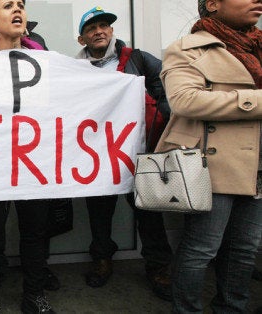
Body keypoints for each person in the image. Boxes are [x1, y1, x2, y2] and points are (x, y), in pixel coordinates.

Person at [0, 1, 72, 313]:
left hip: (33, 159)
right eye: (8, 5)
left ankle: (34, 297)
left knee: (35, 233)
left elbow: (61, 96)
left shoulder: (42, 52)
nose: (17, 9)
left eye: (21, 4)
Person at [158, 0, 262, 312]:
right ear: (213, 4)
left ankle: (233, 308)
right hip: (212, 163)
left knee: (245, 249)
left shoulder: (258, 46)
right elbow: (185, 101)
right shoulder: (188, 48)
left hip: (258, 162)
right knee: (202, 248)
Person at [75, 6, 174, 301]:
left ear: (112, 31)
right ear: (82, 39)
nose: (99, 31)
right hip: (97, 156)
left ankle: (157, 267)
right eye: (92, 28)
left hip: (137, 153)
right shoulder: (75, 70)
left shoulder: (138, 59)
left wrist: (161, 118)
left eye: (104, 25)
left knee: (149, 213)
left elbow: (169, 85)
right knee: (99, 213)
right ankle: (102, 259)